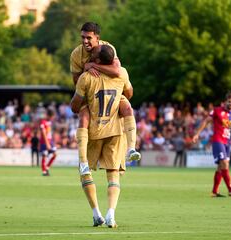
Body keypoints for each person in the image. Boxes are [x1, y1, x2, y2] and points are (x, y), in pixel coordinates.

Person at [70, 22, 140, 176]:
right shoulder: (76, 54)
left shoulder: (108, 48)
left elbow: (116, 70)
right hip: (90, 94)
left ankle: (131, 149)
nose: (85, 41)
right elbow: (76, 82)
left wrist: (91, 66)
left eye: (89, 38)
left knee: (127, 108)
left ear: (97, 38)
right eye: (82, 37)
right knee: (83, 117)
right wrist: (86, 70)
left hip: (112, 91)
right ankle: (83, 163)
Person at [71, 45, 128, 228]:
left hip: (93, 131)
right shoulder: (121, 74)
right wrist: (120, 99)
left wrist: (82, 104)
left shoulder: (86, 77)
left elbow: (74, 106)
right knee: (113, 175)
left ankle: (96, 214)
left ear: (96, 61)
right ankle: (111, 214)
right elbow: (130, 93)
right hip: (114, 130)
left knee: (85, 171)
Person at [39, 108, 57, 176]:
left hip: (50, 141)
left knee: (55, 154)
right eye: (52, 116)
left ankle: (47, 167)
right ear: (49, 116)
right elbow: (43, 133)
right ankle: (44, 172)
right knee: (44, 155)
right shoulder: (43, 122)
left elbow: (49, 132)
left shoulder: (49, 122)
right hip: (44, 142)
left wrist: (52, 142)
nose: (53, 118)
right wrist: (47, 144)